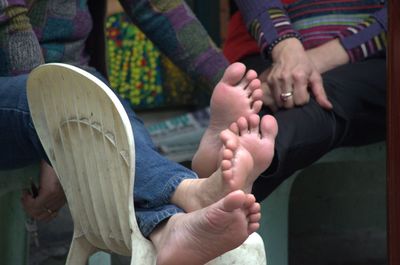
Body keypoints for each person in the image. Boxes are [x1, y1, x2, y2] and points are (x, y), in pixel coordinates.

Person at [0, 0, 279, 264]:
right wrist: (50, 135)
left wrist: (229, 79)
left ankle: (170, 229)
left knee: (99, 98)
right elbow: (8, 19)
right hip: (22, 96)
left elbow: (157, 6)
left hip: (75, 91)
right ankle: (188, 188)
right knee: (69, 92)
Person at [192, 0, 387, 201]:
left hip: (373, 58)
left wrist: (313, 61)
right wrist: (285, 47)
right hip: (264, 49)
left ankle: (225, 171)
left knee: (318, 99)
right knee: (254, 104)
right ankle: (234, 168)